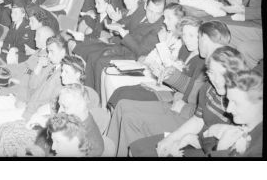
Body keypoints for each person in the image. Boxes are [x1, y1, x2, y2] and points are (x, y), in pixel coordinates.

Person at [106, 20, 232, 156]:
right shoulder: (210, 64)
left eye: (198, 37)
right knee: (123, 105)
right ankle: (108, 151)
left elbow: (199, 107)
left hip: (189, 116)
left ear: (205, 39)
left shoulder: (220, 69)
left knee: (131, 118)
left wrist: (181, 102)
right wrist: (171, 76)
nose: (195, 41)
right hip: (185, 107)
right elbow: (194, 95)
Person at [0, 36, 67, 150]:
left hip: (32, 111)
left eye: (52, 52)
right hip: (26, 100)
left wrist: (27, 106)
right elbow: (32, 85)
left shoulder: (65, 74)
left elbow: (51, 104)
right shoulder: (51, 65)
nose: (48, 55)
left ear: (63, 52)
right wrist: (39, 66)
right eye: (48, 51)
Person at [107, 15, 204, 109]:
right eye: (184, 35)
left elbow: (190, 92)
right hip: (164, 87)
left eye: (191, 35)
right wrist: (159, 71)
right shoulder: (185, 50)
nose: (186, 39)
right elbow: (173, 70)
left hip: (175, 97)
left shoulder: (201, 61)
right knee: (120, 91)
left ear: (201, 37)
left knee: (126, 96)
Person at [206, 69, 263, 157]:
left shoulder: (257, 150)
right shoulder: (244, 123)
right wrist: (210, 138)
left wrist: (221, 149)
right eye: (228, 101)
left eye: (236, 103)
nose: (228, 109)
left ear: (258, 104)